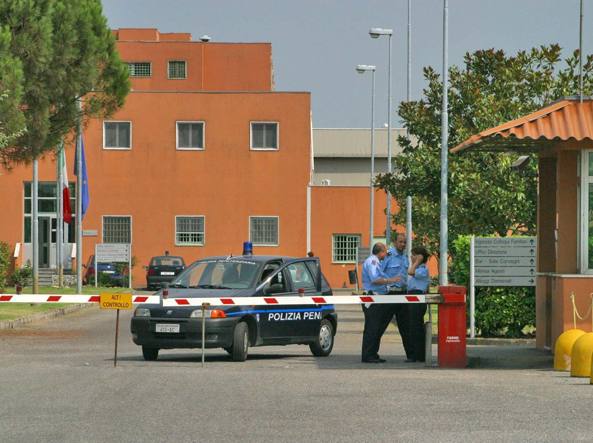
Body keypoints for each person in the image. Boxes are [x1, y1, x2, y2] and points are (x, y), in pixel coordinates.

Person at [361, 242, 400, 363]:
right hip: (374, 299)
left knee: (376, 328)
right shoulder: (372, 261)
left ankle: (372, 353)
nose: (386, 254)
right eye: (385, 251)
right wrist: (390, 280)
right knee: (372, 328)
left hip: (378, 298)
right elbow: (375, 279)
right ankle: (368, 355)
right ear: (381, 251)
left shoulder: (376, 261)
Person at [382, 233, 413, 361]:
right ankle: (371, 354)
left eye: (405, 242)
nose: (403, 244)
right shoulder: (388, 256)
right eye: (400, 242)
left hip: (402, 294)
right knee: (380, 325)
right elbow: (380, 273)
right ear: (395, 242)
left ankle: (411, 355)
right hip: (390, 294)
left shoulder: (405, 257)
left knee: (406, 327)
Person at [406, 246, 431, 362]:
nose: (411, 257)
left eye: (414, 254)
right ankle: (416, 354)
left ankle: (419, 355)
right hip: (412, 298)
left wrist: (417, 261)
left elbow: (410, 272)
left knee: (416, 327)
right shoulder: (417, 268)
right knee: (413, 327)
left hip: (417, 299)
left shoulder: (422, 269)